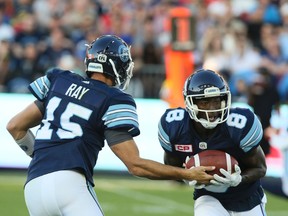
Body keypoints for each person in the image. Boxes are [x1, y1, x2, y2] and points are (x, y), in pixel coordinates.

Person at [6, 35, 214, 216]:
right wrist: (186, 174)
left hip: (33, 186)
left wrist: (44, 157)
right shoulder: (113, 98)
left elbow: (15, 127)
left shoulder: (59, 80)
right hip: (69, 185)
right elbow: (135, 165)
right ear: (116, 66)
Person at [157, 69, 267, 216]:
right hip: (208, 197)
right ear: (191, 102)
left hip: (247, 198)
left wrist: (239, 179)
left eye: (216, 101)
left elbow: (260, 168)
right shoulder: (175, 128)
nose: (212, 108)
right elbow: (172, 169)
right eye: (204, 102)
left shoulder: (239, 126)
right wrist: (186, 175)